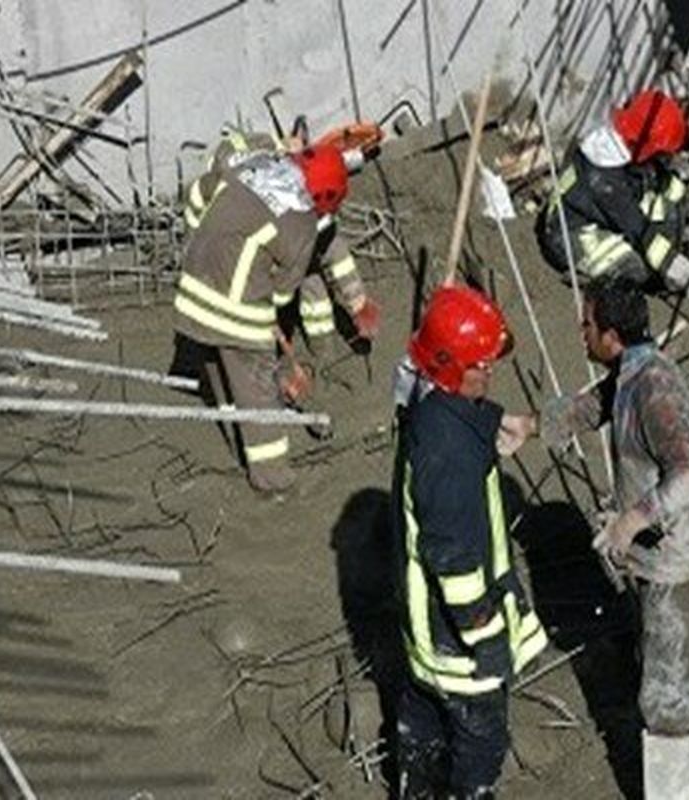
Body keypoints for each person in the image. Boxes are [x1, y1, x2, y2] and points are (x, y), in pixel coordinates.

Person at [538, 275, 689, 799]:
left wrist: (630, 520)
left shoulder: (653, 388)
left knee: (663, 697)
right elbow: (591, 407)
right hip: (663, 558)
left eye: (587, 324)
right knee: (677, 673)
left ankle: (674, 794)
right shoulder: (631, 372)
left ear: (611, 334)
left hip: (677, 561)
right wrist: (527, 425)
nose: (582, 333)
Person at [391, 284, 548, 799]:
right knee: (479, 748)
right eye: (482, 364)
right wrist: (484, 636)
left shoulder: (431, 412)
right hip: (456, 648)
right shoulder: (449, 457)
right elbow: (454, 563)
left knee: (422, 734)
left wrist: (504, 422)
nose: (491, 370)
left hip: (425, 640)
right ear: (454, 368)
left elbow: (462, 413)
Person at [170, 131, 381, 494]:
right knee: (258, 390)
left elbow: (196, 194)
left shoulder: (254, 167)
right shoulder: (301, 226)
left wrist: (199, 238)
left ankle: (234, 432)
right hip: (234, 308)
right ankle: (274, 480)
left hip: (191, 291)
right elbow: (283, 294)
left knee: (218, 366)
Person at [536, 89, 689, 293]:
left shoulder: (613, 145)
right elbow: (637, 228)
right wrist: (672, 264)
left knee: (662, 193)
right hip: (569, 235)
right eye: (660, 153)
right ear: (647, 147)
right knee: (637, 268)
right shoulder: (607, 182)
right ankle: (592, 281)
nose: (664, 158)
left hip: (589, 215)